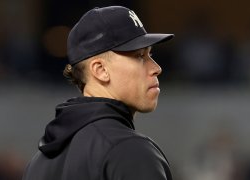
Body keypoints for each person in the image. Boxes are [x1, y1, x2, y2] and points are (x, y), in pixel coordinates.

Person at [22, 6, 174, 180]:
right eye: (140, 56)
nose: (156, 68)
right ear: (100, 69)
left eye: (150, 54)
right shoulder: (128, 151)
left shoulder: (38, 163)